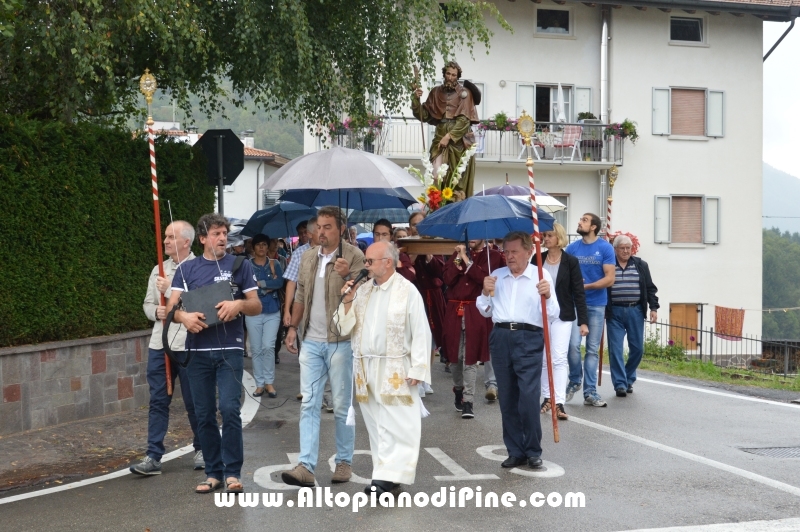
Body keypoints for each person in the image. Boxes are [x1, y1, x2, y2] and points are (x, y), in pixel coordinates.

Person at [167, 214, 261, 494]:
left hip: (230, 349)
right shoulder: (186, 269)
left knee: (230, 409)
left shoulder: (239, 265)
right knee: (204, 414)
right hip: (197, 351)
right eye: (217, 233)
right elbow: (170, 310)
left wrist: (239, 306)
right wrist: (183, 317)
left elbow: (256, 305)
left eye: (225, 233)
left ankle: (233, 473)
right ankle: (213, 473)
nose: (222, 238)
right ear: (203, 238)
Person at [335, 242, 432, 495]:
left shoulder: (407, 290)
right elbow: (343, 328)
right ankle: (384, 475)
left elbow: (421, 331)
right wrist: (347, 301)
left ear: (387, 262)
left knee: (398, 424)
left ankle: (387, 478)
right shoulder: (362, 291)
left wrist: (419, 368)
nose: (365, 266)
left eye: (369, 261)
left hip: (397, 367)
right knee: (377, 423)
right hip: (366, 366)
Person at [281, 206, 365, 487]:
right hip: (312, 341)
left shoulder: (354, 256)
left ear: (341, 229)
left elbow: (362, 296)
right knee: (309, 403)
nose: (321, 232)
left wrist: (345, 276)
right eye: (319, 226)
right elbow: (302, 293)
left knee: (342, 405)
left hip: (341, 341)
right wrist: (293, 327)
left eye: (328, 226)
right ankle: (306, 465)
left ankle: (344, 462)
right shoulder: (306, 257)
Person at [477, 231, 559, 470]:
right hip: (501, 335)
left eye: (514, 252)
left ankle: (533, 449)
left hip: (529, 336)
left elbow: (553, 314)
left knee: (528, 395)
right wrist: (484, 292)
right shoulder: (497, 275)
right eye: (506, 252)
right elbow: (484, 310)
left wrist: (548, 294)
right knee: (508, 396)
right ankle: (515, 450)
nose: (509, 257)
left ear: (528, 251)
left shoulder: (540, 276)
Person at [130, 220, 202, 476]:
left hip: (189, 343)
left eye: (171, 237)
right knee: (158, 400)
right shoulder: (158, 269)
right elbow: (148, 304)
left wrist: (169, 290)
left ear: (186, 242)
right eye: (165, 237)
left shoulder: (199, 267)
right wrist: (156, 311)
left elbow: (196, 302)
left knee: (196, 401)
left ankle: (203, 448)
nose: (165, 242)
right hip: (160, 343)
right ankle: (153, 455)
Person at [442, 239, 505, 419]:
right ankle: (459, 390)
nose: (472, 240)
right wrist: (458, 258)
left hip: (474, 309)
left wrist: (466, 260)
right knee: (455, 357)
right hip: (454, 309)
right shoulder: (457, 254)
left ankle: (468, 401)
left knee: (470, 357)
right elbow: (448, 278)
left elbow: (483, 279)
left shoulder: (491, 255)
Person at [533, 223, 588, 420]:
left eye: (549, 235)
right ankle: (547, 397)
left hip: (563, 315)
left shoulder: (570, 261)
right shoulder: (536, 259)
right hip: (542, 314)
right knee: (543, 359)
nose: (545, 239)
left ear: (559, 237)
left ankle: (559, 402)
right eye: (544, 235)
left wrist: (583, 321)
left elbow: (578, 293)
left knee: (558, 357)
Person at [564, 213, 615, 407]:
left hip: (596, 304)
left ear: (594, 227)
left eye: (584, 220)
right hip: (575, 304)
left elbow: (610, 278)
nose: (579, 222)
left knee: (592, 350)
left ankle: (590, 392)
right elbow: (565, 273)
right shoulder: (572, 248)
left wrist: (586, 287)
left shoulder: (605, 247)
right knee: (572, 345)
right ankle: (575, 380)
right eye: (580, 219)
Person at [412, 60, 481, 197]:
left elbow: (464, 121)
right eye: (448, 74)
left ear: (458, 76)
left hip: (459, 141)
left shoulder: (465, 93)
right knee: (436, 175)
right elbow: (424, 115)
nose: (450, 77)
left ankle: (454, 201)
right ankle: (437, 203)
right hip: (440, 135)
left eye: (454, 75)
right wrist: (415, 99)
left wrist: (448, 136)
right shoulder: (436, 92)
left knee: (457, 178)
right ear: (444, 74)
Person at [606, 235, 659, 397]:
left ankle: (628, 377)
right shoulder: (609, 266)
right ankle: (620, 384)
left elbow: (650, 288)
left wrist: (654, 308)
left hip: (635, 310)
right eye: (622, 248)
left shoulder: (641, 265)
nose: (626, 251)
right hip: (614, 311)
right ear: (615, 249)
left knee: (637, 349)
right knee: (615, 350)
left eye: (628, 247)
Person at [283, 217, 317, 399]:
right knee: (305, 349)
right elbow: (291, 283)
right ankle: (307, 389)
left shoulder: (335, 251)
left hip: (325, 309)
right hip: (303, 307)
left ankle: (327, 393)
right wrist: (287, 310)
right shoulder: (299, 254)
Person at [246, 234, 284, 398]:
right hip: (253, 311)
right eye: (258, 244)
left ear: (268, 247)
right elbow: (245, 285)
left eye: (264, 244)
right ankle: (259, 384)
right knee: (256, 348)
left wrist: (260, 285)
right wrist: (268, 287)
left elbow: (280, 282)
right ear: (253, 247)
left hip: (272, 310)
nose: (261, 247)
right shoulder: (247, 265)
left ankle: (269, 382)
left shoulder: (274, 263)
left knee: (268, 346)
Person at [373, 218, 416, 283]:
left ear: (391, 236)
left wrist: (395, 258)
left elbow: (409, 277)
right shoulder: (366, 254)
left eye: (384, 234)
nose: (380, 238)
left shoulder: (401, 255)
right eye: (377, 234)